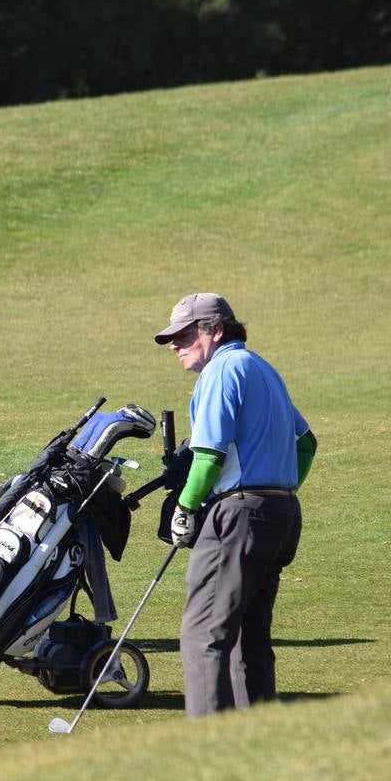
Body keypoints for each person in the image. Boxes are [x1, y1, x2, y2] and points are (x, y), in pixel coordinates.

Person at [154, 293, 316, 718]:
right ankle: (255, 743)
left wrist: (186, 507)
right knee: (249, 638)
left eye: (185, 334)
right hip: (280, 514)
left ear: (216, 330)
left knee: (202, 634)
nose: (175, 344)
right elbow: (307, 442)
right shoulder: (263, 369)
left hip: (240, 516)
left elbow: (209, 454)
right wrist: (277, 484)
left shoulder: (221, 371)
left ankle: (209, 752)